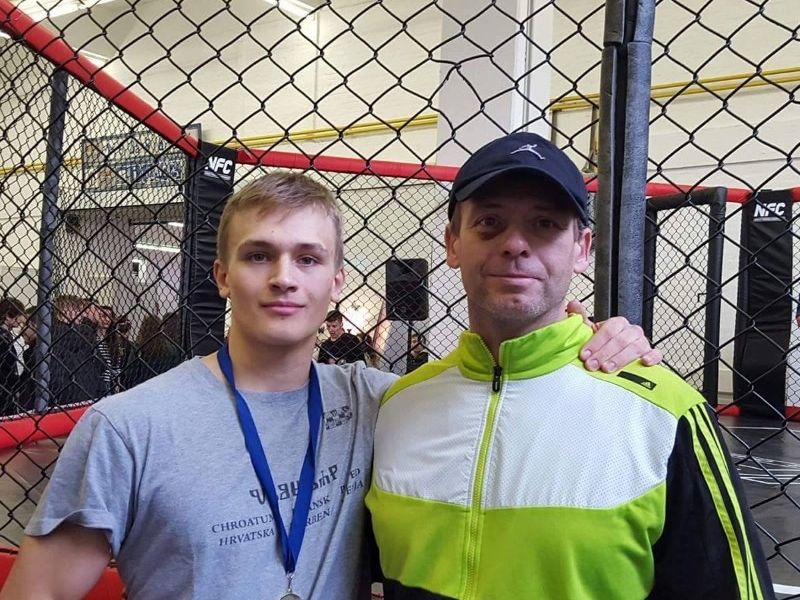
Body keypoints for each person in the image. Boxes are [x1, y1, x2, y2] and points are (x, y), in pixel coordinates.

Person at [0, 172, 659, 600]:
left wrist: (592, 333)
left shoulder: (380, 401)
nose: (284, 277)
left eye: (308, 258)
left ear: (337, 281)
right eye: (259, 255)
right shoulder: (128, 426)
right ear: (222, 276)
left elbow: (506, 373)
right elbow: (39, 592)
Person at [366, 132, 774, 600]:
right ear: (453, 243)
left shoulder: (665, 413)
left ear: (582, 248)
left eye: (544, 224)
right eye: (489, 222)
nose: (514, 244)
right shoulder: (397, 406)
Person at [0, 297, 26, 414]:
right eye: (19, 314)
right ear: (8, 316)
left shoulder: (7, 336)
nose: (21, 319)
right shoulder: (3, 338)